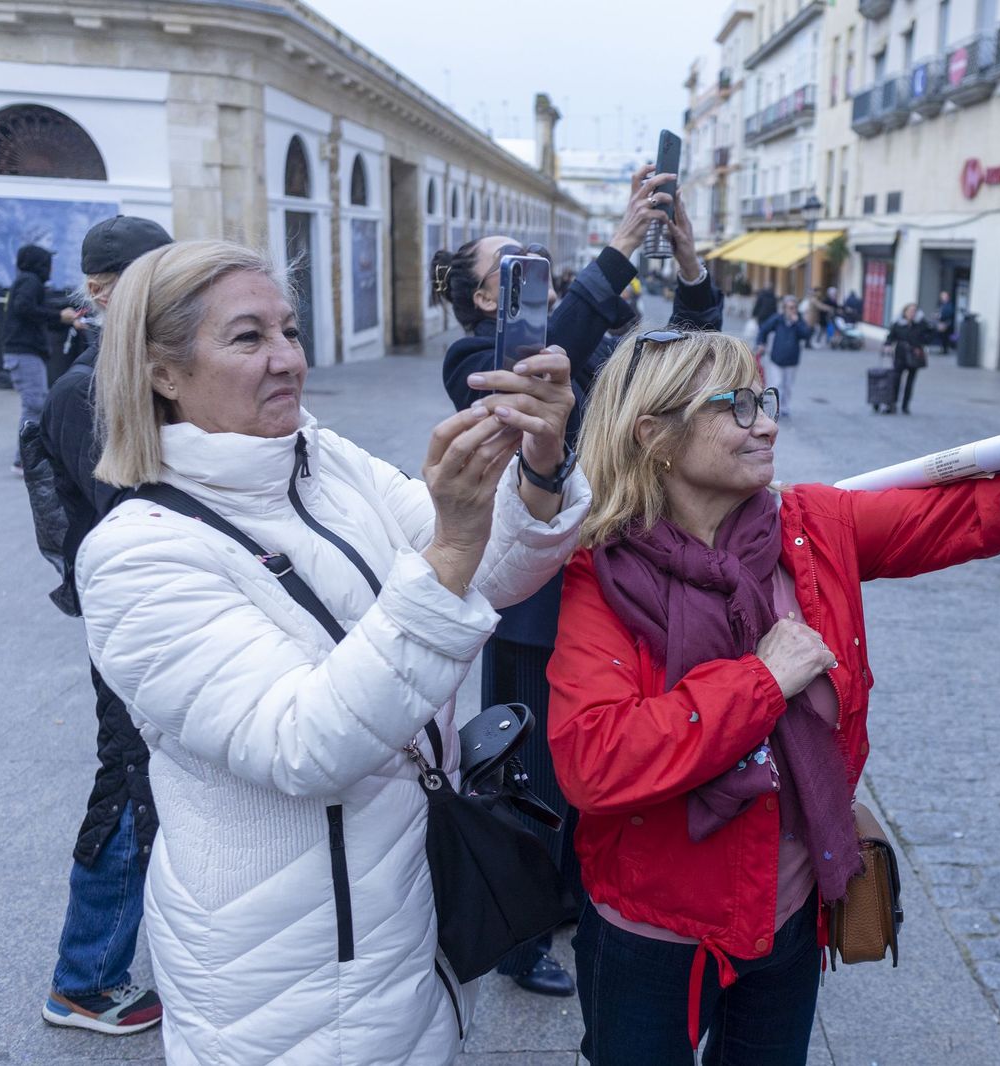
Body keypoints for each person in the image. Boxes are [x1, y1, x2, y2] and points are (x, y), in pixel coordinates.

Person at [546, 329, 1000, 1065]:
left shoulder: (810, 528)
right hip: (654, 934)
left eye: (762, 400)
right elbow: (594, 761)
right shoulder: (602, 572)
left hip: (791, 918)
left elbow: (970, 513)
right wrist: (761, 681)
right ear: (656, 435)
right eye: (736, 407)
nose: (767, 421)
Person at [75, 239, 588, 1063]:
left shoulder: (324, 460)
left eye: (289, 330)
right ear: (161, 371)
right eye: (247, 339)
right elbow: (306, 744)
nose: (287, 360)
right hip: (285, 971)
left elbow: (493, 573)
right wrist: (452, 541)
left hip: (401, 914)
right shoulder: (135, 555)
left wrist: (539, 466)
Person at [435, 164, 724, 996]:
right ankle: (521, 930)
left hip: (617, 579)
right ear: (490, 300)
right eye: (514, 267)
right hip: (535, 594)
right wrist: (621, 245)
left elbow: (688, 356)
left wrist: (687, 261)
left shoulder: (593, 340)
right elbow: (535, 372)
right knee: (530, 766)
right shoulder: (471, 362)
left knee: (601, 754)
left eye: (539, 261)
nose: (536, 270)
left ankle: (572, 895)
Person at [37, 215, 173, 1037]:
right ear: (108, 292)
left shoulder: (117, 376)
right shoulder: (85, 390)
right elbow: (132, 514)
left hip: (152, 614)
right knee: (126, 785)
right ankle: (84, 979)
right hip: (134, 620)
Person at [4, 243, 83, 472]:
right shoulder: (30, 281)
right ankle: (23, 460)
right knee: (35, 406)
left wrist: (64, 318)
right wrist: (59, 315)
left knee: (35, 404)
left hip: (24, 352)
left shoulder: (27, 282)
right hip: (24, 352)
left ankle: (27, 457)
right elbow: (25, 308)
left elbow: (36, 311)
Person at [755, 294, 812, 418]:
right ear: (784, 308)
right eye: (790, 307)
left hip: (792, 360)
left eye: (794, 307)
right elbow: (763, 329)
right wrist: (761, 343)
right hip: (776, 358)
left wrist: (797, 323)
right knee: (776, 384)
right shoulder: (778, 319)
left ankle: (785, 407)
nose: (792, 310)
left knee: (788, 386)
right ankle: (774, 408)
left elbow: (806, 335)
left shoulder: (799, 321)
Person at [883, 301, 927, 414]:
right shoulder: (898, 324)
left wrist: (921, 345)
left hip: (914, 355)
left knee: (910, 382)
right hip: (900, 354)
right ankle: (892, 404)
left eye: (914, 311)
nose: (912, 313)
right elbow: (890, 336)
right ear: (905, 312)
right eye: (910, 311)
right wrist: (887, 345)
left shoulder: (920, 324)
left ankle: (905, 406)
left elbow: (928, 335)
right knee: (896, 380)